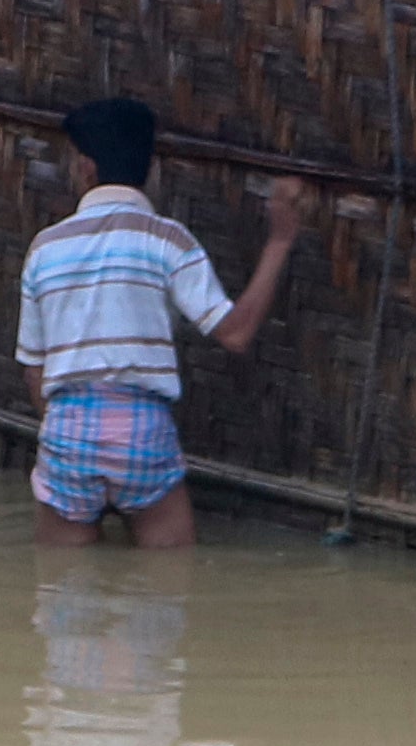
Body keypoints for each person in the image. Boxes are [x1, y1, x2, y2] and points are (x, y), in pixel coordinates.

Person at [16, 94, 311, 548]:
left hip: (66, 433)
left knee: (61, 580)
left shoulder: (45, 249)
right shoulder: (169, 240)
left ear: (86, 169)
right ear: (149, 169)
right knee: (168, 578)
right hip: (143, 434)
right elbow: (235, 334)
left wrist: (71, 436)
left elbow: (34, 370)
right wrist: (279, 241)